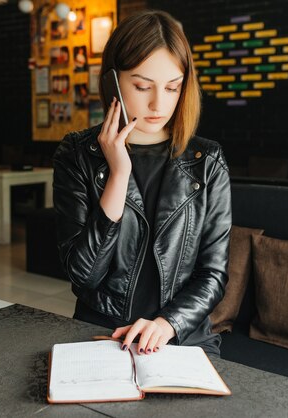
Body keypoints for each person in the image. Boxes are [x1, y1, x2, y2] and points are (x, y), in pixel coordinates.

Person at [53, 10, 232, 357]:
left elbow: (213, 275)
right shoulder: (77, 154)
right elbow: (83, 274)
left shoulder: (207, 162)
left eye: (172, 88)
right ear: (112, 83)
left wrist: (167, 324)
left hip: (180, 336)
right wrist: (118, 174)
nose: (158, 104)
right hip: (102, 331)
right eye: (141, 86)